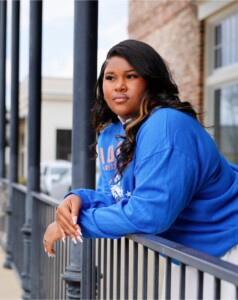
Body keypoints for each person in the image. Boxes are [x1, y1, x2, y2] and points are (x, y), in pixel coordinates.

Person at [43, 40, 238, 296]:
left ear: (150, 81)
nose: (119, 85)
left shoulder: (166, 124)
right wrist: (77, 200)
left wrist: (75, 225)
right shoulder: (112, 134)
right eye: (110, 77)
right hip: (192, 252)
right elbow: (114, 196)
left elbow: (151, 212)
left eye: (131, 76)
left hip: (229, 244)